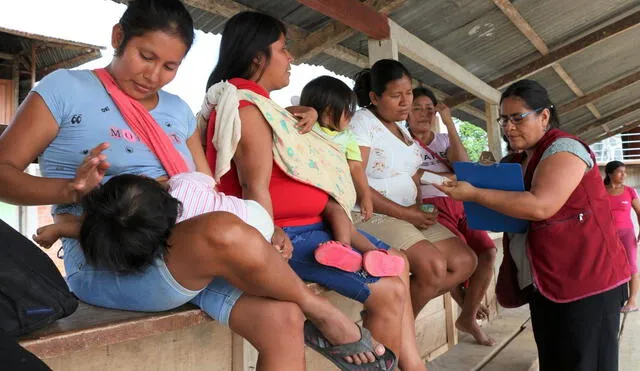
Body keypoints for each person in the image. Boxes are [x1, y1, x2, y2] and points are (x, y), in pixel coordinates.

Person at [0, 1, 394, 370]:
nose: (154, 75)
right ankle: (324, 314)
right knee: (224, 233)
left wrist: (266, 229)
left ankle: (305, 309)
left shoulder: (176, 110)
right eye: (146, 56)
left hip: (182, 247)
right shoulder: (64, 90)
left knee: (282, 316)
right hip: (110, 256)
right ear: (119, 37)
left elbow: (206, 189)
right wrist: (70, 190)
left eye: (170, 66)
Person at [202, 11, 421, 371]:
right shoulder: (245, 107)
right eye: (284, 49)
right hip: (289, 234)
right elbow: (253, 187)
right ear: (258, 57)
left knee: (399, 264)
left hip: (314, 226)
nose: (292, 58)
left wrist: (302, 113)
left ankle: (408, 364)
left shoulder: (266, 108)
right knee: (391, 290)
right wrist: (271, 240)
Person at [437, 79, 630, 371]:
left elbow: (542, 205)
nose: (508, 127)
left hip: (589, 277)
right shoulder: (517, 160)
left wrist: (476, 193)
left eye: (517, 118)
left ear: (544, 116)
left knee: (586, 362)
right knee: (555, 360)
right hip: (546, 279)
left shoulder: (564, 149)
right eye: (504, 119)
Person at [349, 59, 477, 318]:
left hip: (407, 212)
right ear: (374, 97)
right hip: (373, 214)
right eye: (396, 95)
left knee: (465, 262)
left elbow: (414, 173)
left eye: (408, 93)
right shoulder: (363, 122)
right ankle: (396, 333)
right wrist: (408, 214)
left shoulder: (402, 131)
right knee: (433, 266)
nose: (405, 102)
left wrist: (446, 181)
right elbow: (355, 177)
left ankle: (393, 318)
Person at [406, 87, 497, 346]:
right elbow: (416, 177)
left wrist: (449, 124)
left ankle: (466, 316)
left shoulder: (444, 140)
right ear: (407, 113)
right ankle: (458, 305)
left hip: (461, 204)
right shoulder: (402, 140)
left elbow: (465, 168)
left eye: (429, 109)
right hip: (430, 206)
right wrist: (451, 179)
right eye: (416, 108)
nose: (423, 114)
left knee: (488, 253)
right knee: (457, 260)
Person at [32, 172, 275, 260]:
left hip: (246, 244)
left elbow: (109, 225)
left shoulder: (170, 236)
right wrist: (165, 182)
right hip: (255, 216)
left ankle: (61, 228)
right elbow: (208, 181)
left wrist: (63, 227)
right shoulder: (184, 184)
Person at [299, 76, 404, 277]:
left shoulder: (347, 137)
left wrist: (365, 196)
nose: (350, 116)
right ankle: (376, 255)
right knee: (349, 228)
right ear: (329, 111)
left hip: (336, 194)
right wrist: (307, 113)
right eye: (347, 110)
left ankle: (343, 249)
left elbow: (356, 167)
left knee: (338, 213)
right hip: (315, 190)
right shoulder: (307, 125)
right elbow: (281, 115)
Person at [604, 160, 640, 313]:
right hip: (606, 235)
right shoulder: (600, 190)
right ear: (610, 174)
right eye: (620, 171)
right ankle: (611, 299)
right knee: (607, 266)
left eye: (624, 171)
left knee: (632, 265)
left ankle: (632, 301)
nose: (624, 174)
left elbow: (639, 212)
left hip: (626, 234)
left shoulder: (630, 191)